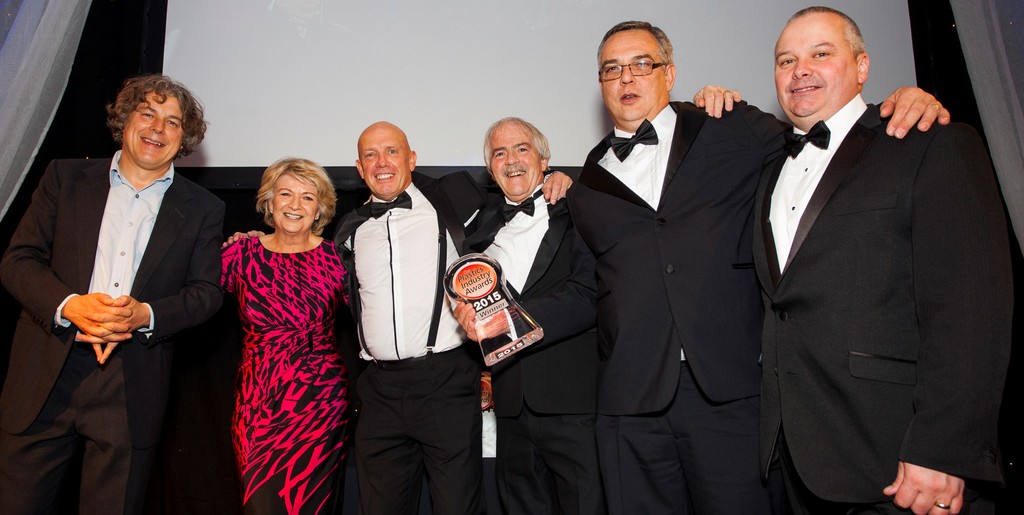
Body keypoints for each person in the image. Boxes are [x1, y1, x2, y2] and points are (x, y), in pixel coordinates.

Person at [455, 20, 951, 515]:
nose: (626, 78)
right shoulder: (588, 181)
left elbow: (822, 143)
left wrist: (892, 110)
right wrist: (502, 323)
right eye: (612, 69)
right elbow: (587, 291)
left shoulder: (729, 125)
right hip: (631, 405)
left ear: (669, 74)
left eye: (641, 64)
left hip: (731, 392)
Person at [754, 7, 1011, 514]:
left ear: (863, 66)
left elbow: (972, 310)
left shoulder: (930, 142)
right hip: (800, 463)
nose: (800, 70)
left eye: (820, 54)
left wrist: (944, 449)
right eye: (786, 60)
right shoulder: (770, 172)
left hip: (902, 464)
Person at [0, 74, 224, 514]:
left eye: (172, 122)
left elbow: (206, 293)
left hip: (130, 383)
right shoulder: (65, 178)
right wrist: (71, 306)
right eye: (148, 113)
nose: (158, 128)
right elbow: (18, 260)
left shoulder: (203, 207)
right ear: (125, 120)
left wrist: (144, 315)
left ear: (184, 138)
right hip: (45, 373)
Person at [464, 117, 603, 515]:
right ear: (491, 169)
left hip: (573, 402)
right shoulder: (481, 231)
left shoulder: (579, 209)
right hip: (511, 408)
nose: (511, 160)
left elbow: (589, 295)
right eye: (499, 153)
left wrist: (508, 320)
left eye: (522, 149)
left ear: (544, 160)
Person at [221, 157, 349, 514]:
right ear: (269, 201)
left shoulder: (338, 260)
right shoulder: (240, 254)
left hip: (320, 403)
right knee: (260, 504)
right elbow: (193, 297)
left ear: (319, 209)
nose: (295, 205)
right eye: (286, 194)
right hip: (256, 402)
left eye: (307, 197)